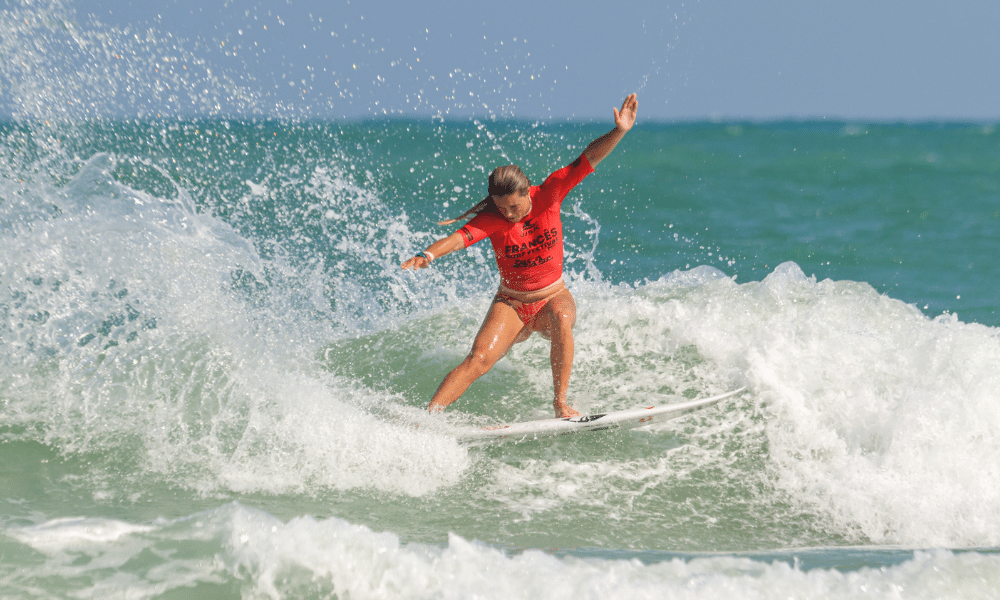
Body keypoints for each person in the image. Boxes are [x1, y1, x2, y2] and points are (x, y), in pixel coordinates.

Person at [401, 94, 638, 418]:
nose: (509, 214)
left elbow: (588, 158)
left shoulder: (551, 193)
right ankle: (427, 418)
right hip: (511, 304)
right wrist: (427, 254)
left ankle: (560, 404)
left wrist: (619, 132)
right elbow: (459, 239)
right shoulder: (493, 220)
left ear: (528, 191)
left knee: (563, 319)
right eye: (501, 208)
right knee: (478, 359)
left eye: (514, 206)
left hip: (552, 296)